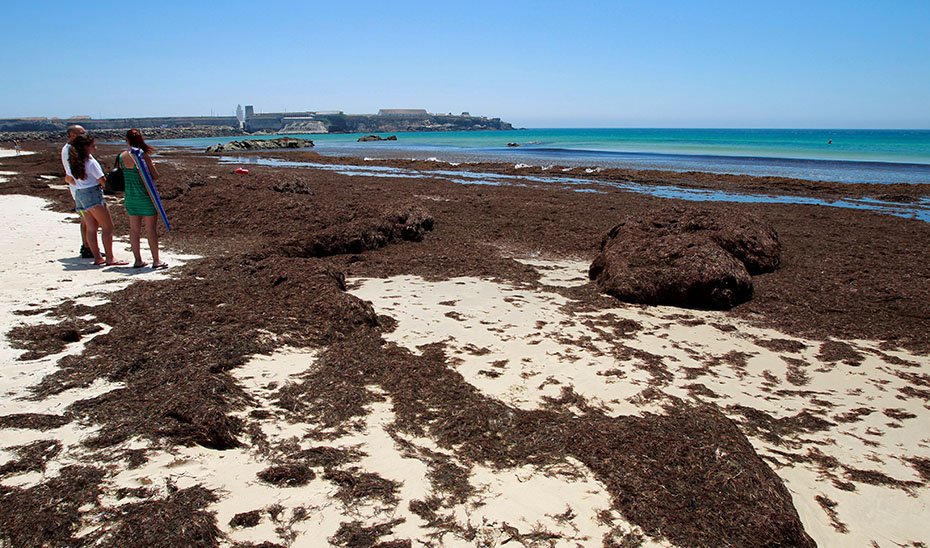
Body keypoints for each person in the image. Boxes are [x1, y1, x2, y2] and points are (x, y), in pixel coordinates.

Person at [68, 134, 128, 266]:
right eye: (92, 146)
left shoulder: (74, 161)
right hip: (92, 194)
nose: (95, 148)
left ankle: (97, 257)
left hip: (80, 194)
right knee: (108, 227)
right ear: (85, 147)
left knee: (91, 227)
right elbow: (102, 181)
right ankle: (110, 258)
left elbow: (69, 178)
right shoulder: (91, 162)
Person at [120, 129, 166, 268]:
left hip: (130, 196)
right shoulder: (141, 155)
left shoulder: (122, 156)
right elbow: (155, 176)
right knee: (151, 229)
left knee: (134, 230)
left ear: (127, 140)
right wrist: (153, 166)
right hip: (145, 196)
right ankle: (156, 260)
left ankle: (138, 260)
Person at [62, 125, 94, 258]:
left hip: (81, 190)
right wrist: (83, 186)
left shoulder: (73, 149)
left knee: (86, 219)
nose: (85, 134)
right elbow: (69, 176)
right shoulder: (70, 150)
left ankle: (87, 246)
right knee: (88, 219)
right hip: (82, 190)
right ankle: (87, 247)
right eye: (81, 133)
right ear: (72, 135)